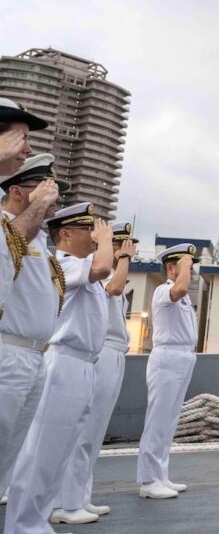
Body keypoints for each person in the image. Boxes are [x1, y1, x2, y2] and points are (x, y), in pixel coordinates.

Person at [4, 204, 114, 534]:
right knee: (41, 453)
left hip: (84, 366)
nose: (95, 236)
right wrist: (107, 239)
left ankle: (37, 521)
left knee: (60, 453)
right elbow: (103, 267)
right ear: (64, 234)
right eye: (88, 230)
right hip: (63, 362)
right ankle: (23, 525)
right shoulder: (65, 263)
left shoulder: (81, 268)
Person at [56, 222, 137, 521]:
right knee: (82, 432)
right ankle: (66, 500)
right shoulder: (95, 270)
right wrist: (122, 259)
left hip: (111, 354)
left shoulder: (111, 272)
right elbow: (113, 287)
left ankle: (80, 496)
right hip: (97, 352)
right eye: (120, 245)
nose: (125, 250)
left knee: (94, 432)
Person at [0, 151, 63, 506]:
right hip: (8, 352)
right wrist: (37, 208)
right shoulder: (9, 228)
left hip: (35, 355)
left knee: (8, 456)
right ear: (19, 192)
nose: (54, 198)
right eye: (45, 188)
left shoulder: (36, 238)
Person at [137, 243, 199, 500]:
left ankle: (160, 474)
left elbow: (183, 289)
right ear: (171, 267)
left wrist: (186, 265)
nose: (191, 271)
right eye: (186, 266)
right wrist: (184, 267)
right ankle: (148, 480)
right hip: (167, 357)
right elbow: (181, 286)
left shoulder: (181, 297)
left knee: (169, 421)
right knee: (158, 420)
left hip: (183, 357)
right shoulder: (165, 291)